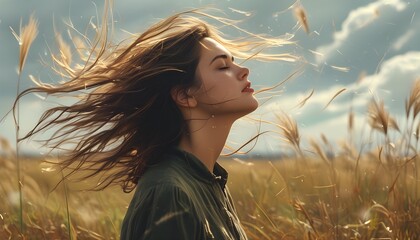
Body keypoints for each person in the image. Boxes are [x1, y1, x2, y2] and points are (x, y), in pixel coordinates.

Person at [17, 8, 294, 240]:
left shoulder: (209, 183)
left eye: (233, 63)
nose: (242, 70)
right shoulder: (170, 193)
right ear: (185, 95)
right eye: (222, 66)